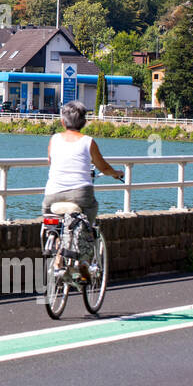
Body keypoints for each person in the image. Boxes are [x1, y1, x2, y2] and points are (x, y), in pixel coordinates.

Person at [43, 100, 124, 278]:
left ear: (63, 121)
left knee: (55, 225)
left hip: (52, 194)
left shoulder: (54, 139)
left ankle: (57, 258)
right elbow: (103, 167)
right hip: (80, 193)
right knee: (87, 221)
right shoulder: (88, 142)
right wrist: (116, 173)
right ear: (84, 122)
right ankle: (84, 263)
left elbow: (50, 161)